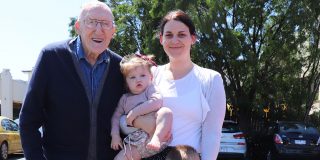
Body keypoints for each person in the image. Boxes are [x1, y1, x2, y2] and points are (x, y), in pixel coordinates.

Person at [19, 1, 125, 160]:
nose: (99, 29)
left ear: (113, 31)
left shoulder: (121, 67)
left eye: (105, 24)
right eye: (91, 22)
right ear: (78, 26)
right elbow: (28, 120)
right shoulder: (52, 57)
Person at [141, 10, 226, 160]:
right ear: (161, 39)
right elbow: (131, 111)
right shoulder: (150, 75)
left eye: (181, 34)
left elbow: (212, 133)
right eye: (169, 35)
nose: (174, 40)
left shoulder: (211, 79)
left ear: (193, 38)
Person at [111, 53, 172, 160]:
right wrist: (115, 135)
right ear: (126, 83)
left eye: (142, 75)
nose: (138, 80)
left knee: (166, 112)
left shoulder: (150, 89)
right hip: (135, 141)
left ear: (151, 77)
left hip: (155, 135)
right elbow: (116, 117)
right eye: (132, 77)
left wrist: (135, 112)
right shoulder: (125, 98)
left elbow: (157, 101)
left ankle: (156, 138)